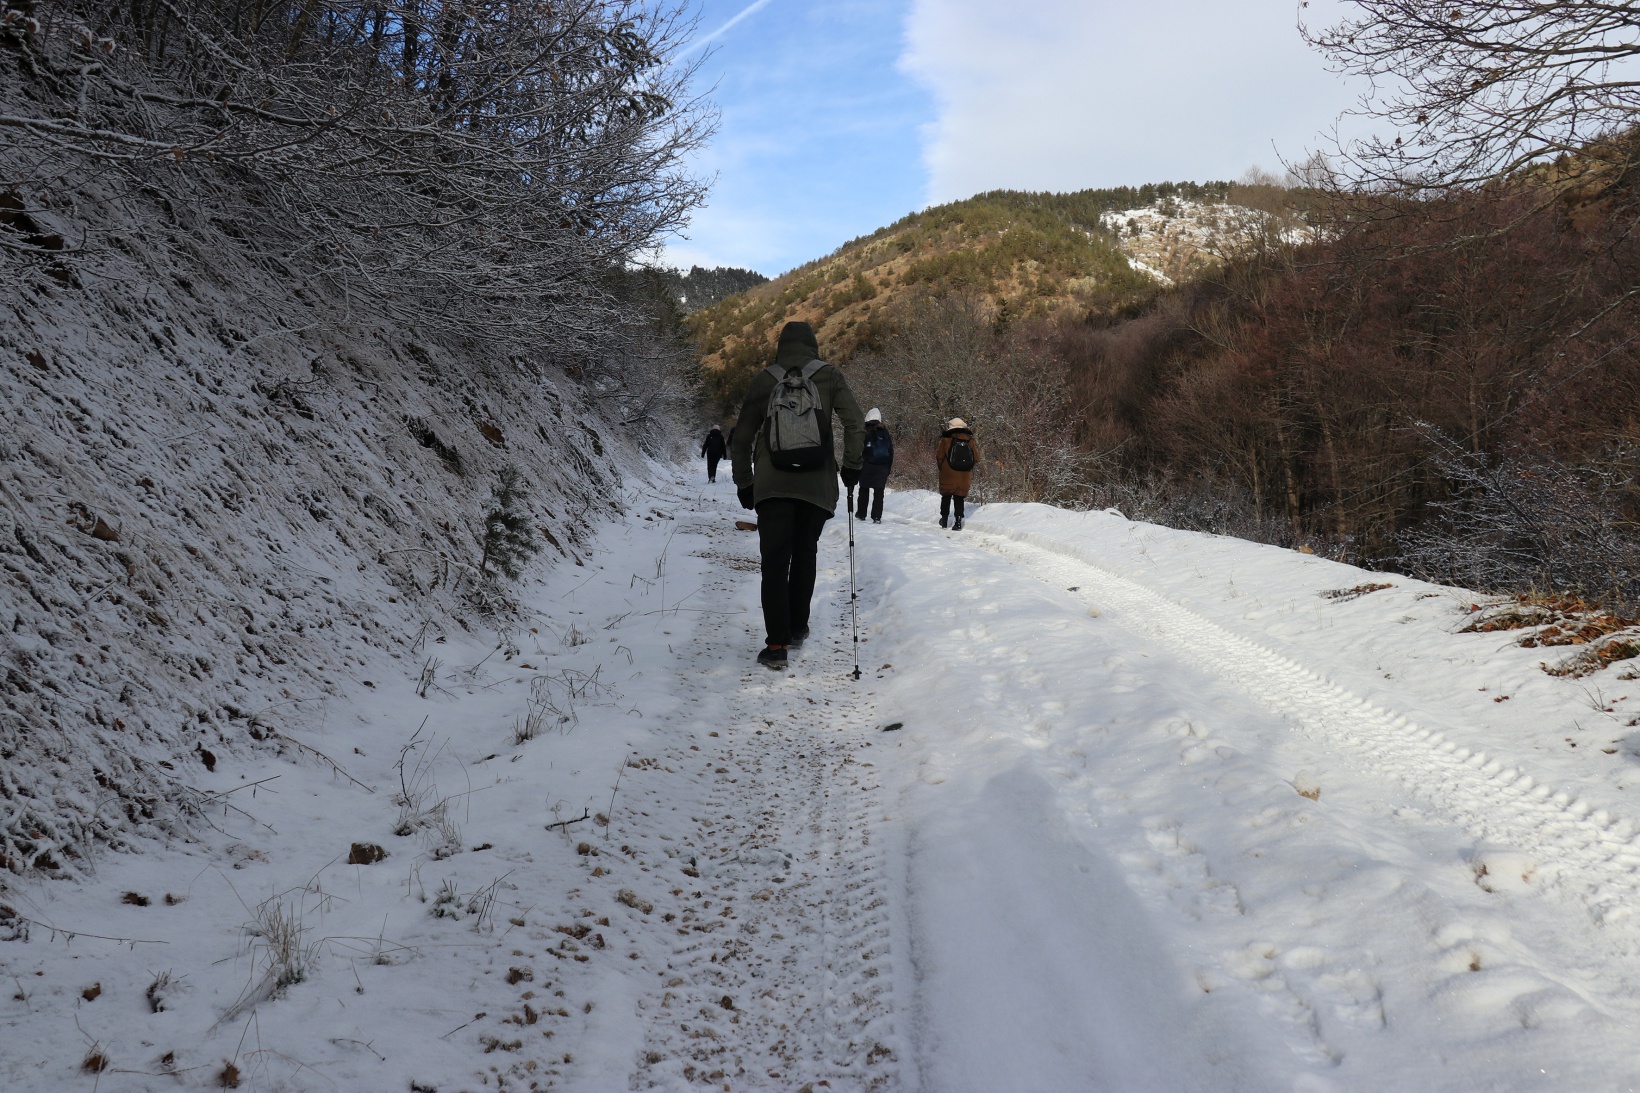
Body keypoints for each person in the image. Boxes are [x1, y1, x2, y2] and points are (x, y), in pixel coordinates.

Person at [731, 321, 865, 670]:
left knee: (775, 563)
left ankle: (776, 646)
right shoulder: (829, 376)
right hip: (816, 486)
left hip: (772, 485)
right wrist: (852, 467)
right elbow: (855, 424)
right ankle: (797, 627)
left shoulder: (765, 379)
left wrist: (745, 482)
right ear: (813, 345)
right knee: (805, 553)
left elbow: (742, 437)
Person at [935, 417, 979, 530]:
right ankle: (958, 522)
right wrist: (967, 468)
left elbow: (939, 456)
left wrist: (943, 468)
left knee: (946, 496)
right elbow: (976, 457)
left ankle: (944, 520)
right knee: (959, 498)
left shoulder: (946, 439)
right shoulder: (970, 440)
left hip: (948, 472)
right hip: (964, 474)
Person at [856, 408, 893, 524]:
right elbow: (891, 451)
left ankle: (861, 514)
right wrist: (888, 468)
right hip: (882, 467)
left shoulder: (864, 430)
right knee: (879, 492)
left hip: (867, 465)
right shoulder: (884, 431)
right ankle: (876, 517)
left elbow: (858, 449)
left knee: (863, 489)